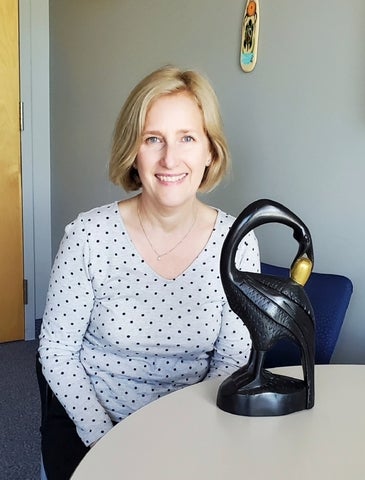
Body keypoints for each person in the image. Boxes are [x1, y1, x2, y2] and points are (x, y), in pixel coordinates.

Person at [38, 65, 260, 479]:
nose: (169, 159)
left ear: (210, 151)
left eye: (187, 138)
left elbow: (232, 357)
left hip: (195, 423)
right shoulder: (87, 235)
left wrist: (185, 438)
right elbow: (57, 352)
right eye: (152, 139)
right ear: (132, 153)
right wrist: (110, 441)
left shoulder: (239, 242)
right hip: (93, 423)